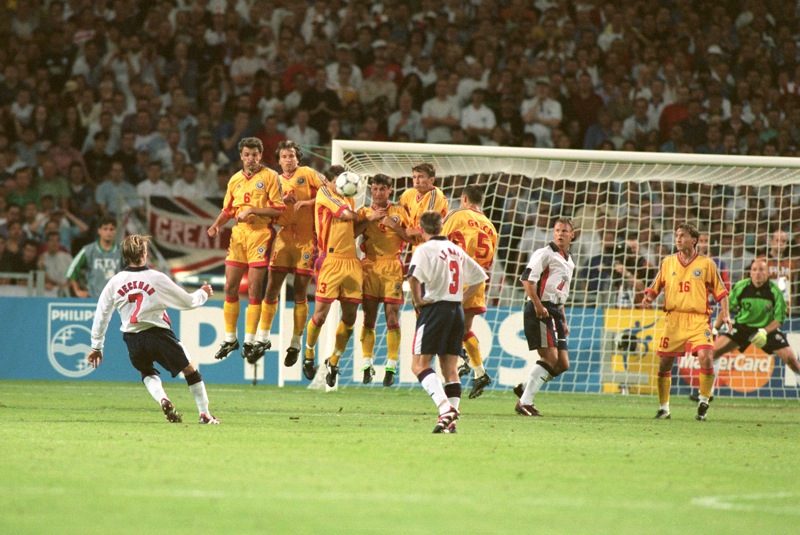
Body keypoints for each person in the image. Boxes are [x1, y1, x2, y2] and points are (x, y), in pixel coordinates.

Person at [86, 234, 219, 424]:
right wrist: (202, 294)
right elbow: (187, 302)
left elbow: (102, 314)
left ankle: (163, 399)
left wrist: (96, 346)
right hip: (157, 333)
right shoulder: (156, 278)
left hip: (132, 338)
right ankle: (205, 414)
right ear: (145, 252)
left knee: (147, 372)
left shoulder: (114, 282)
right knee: (189, 369)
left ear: (125, 256)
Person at [641, 223, 731, 421]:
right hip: (673, 320)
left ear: (694, 240)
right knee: (664, 364)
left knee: (706, 357)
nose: (678, 239)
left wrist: (725, 314)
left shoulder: (707, 264)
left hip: (699, 319)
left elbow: (722, 292)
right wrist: (649, 297)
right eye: (676, 235)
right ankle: (664, 408)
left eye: (682, 236)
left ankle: (703, 401)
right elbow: (655, 286)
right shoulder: (668, 262)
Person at [408, 211, 487, 433]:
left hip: (434, 309)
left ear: (421, 230)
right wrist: (461, 298)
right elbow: (480, 276)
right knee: (449, 369)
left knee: (419, 365)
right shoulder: (455, 249)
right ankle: (449, 424)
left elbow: (413, 276)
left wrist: (417, 300)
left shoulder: (424, 249)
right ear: (441, 228)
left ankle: (445, 409)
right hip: (456, 310)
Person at [206, 137, 284, 363]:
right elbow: (228, 210)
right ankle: (231, 338)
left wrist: (253, 210)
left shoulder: (270, 177)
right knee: (230, 286)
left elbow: (278, 210)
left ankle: (249, 340)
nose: (251, 159)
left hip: (260, 234)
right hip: (239, 236)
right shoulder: (235, 180)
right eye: (247, 155)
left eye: (255, 155)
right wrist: (216, 225)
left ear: (261, 156)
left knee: (254, 288)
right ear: (241, 156)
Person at [255, 140, 325, 367]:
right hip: (284, 239)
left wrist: (307, 202)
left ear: (298, 158)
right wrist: (282, 203)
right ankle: (263, 338)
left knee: (300, 291)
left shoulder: (308, 173)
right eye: (284, 156)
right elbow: (269, 211)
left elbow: (330, 194)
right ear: (279, 160)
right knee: (271, 288)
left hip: (307, 240)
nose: (288, 160)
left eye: (292, 156)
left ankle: (295, 343)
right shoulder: (273, 180)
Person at [301, 164, 363, 385]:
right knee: (320, 315)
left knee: (350, 317)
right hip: (331, 261)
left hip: (352, 261)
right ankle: (308, 355)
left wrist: (369, 221)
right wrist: (362, 216)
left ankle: (334, 361)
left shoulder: (349, 198)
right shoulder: (325, 193)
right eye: (337, 180)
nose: (340, 184)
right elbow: (347, 216)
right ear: (328, 181)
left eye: (343, 180)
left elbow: (352, 230)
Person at [702, 259, 800, 398]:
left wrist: (764, 331)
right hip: (743, 327)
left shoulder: (775, 291)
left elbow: (779, 320)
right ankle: (707, 393)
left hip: (767, 329)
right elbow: (726, 309)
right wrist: (715, 329)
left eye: (761, 270)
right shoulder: (742, 286)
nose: (757, 273)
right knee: (713, 353)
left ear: (767, 273)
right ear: (750, 273)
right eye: (754, 270)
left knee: (791, 360)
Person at [514, 218, 576, 417]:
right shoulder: (544, 254)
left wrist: (564, 320)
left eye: (564, 231)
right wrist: (538, 306)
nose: (560, 234)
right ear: (553, 233)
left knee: (562, 364)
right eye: (557, 230)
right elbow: (526, 279)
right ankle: (525, 402)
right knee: (550, 357)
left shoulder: (569, 261)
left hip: (556, 311)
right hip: (540, 308)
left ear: (572, 235)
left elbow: (561, 292)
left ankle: (525, 386)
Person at [442, 184, 498, 399]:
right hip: (478, 279)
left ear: (464, 198)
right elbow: (490, 260)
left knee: (443, 323)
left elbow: (440, 241)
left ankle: (463, 359)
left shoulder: (457, 215)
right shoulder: (490, 226)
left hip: (457, 278)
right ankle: (479, 371)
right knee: (464, 329)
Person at [354, 173, 411, 386]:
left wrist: (394, 226)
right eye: (375, 189)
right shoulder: (363, 212)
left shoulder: (399, 212)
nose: (378, 193)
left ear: (389, 191)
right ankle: (367, 364)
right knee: (369, 317)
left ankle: (391, 366)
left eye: (382, 189)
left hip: (392, 267)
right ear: (371, 190)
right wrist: (369, 220)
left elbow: (411, 238)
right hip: (369, 266)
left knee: (392, 317)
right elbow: (351, 234)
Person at [66, 214, 122, 298]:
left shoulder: (122, 251)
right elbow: (72, 270)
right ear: (99, 231)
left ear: (115, 231)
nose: (108, 232)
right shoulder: (89, 250)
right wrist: (77, 291)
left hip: (115, 299)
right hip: (93, 298)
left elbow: (134, 271)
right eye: (105, 229)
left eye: (111, 229)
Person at [398, 162, 449, 249]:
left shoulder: (435, 195)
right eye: (414, 177)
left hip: (434, 246)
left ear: (431, 180)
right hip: (417, 244)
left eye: (421, 177)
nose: (416, 180)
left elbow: (429, 227)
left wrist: (413, 231)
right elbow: (397, 212)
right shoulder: (408, 194)